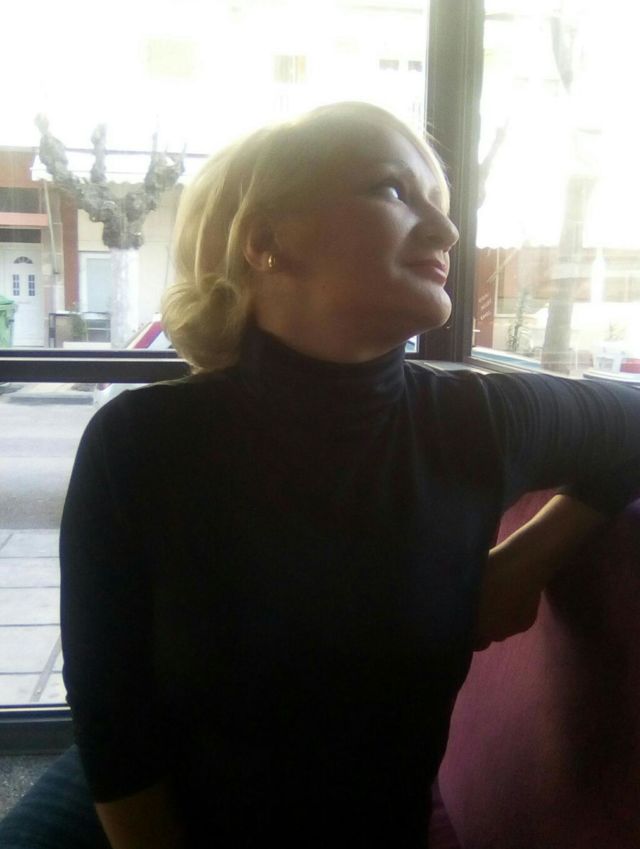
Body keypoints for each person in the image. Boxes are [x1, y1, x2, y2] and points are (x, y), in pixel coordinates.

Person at [2, 101, 639, 849]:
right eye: (393, 190)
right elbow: (114, 720)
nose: (446, 231)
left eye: (441, 204)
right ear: (265, 240)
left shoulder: (477, 423)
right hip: (139, 811)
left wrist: (522, 563)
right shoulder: (141, 442)